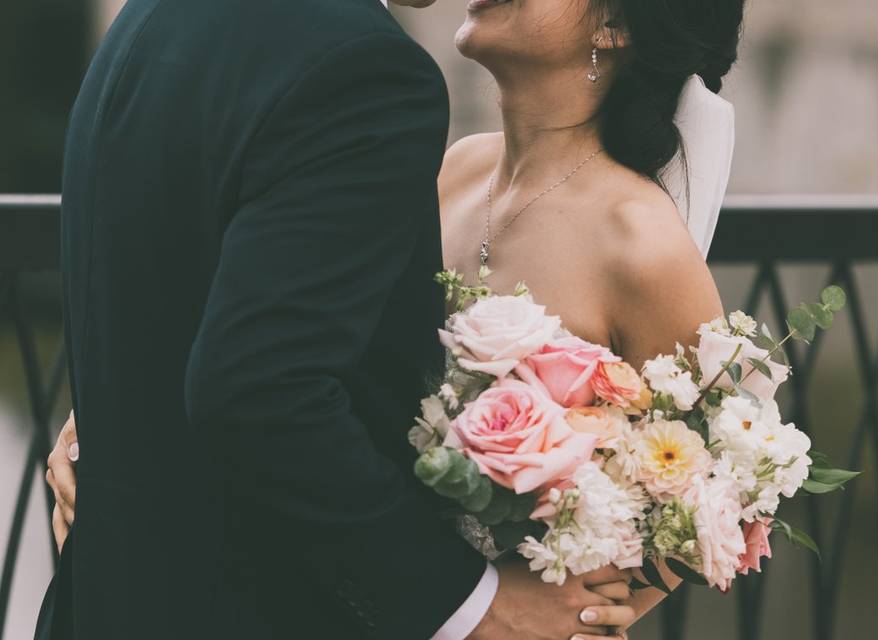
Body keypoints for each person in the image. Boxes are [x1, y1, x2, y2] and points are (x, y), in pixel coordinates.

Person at [43, 0, 744, 637]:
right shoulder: (455, 169)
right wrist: (105, 423)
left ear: (615, 25)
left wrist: (573, 610)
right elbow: (284, 333)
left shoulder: (640, 238)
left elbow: (723, 489)